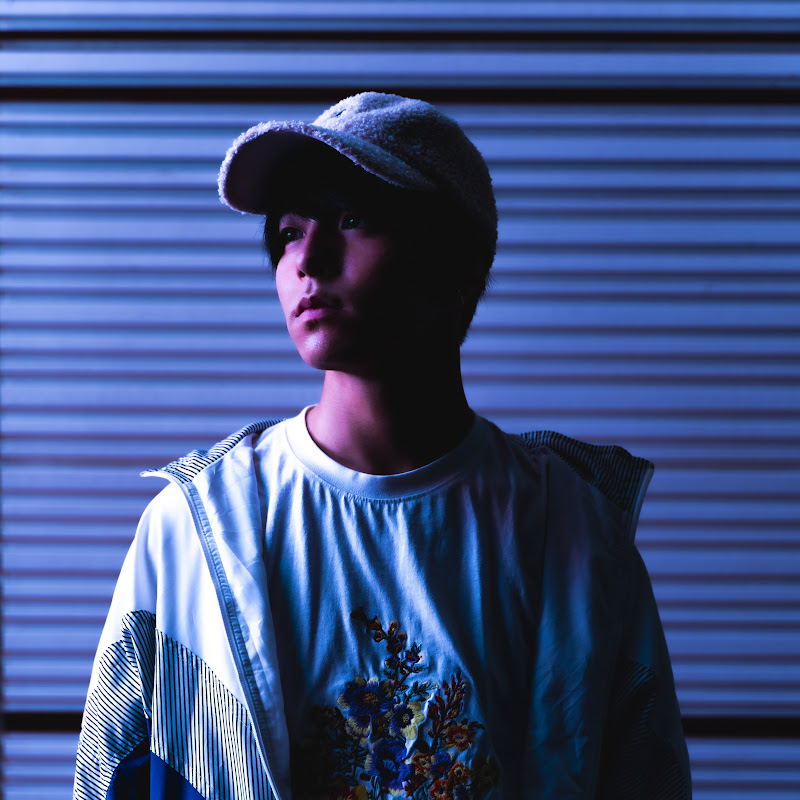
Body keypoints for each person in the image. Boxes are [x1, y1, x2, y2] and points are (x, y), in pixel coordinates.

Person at [74, 92, 691, 800]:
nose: (308, 260)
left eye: (353, 219)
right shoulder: (197, 528)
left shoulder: (572, 532)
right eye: (288, 233)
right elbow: (111, 775)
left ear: (455, 260)